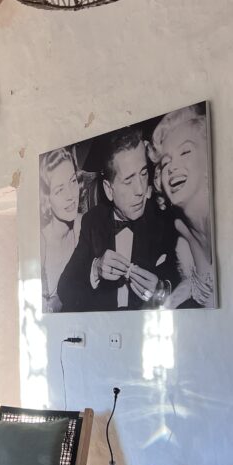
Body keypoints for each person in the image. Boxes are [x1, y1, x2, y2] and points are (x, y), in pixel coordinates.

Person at [57, 128, 178, 312]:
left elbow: (189, 281)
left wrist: (163, 290)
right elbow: (65, 289)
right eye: (128, 180)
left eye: (143, 173)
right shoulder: (93, 221)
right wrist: (95, 270)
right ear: (109, 189)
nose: (140, 190)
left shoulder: (165, 219)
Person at [149, 106, 215, 308]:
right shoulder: (182, 228)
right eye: (165, 163)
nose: (172, 168)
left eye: (185, 152)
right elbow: (200, 285)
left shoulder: (222, 221)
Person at [40, 147, 81, 312]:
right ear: (47, 199)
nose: (71, 195)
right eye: (59, 190)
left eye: (73, 181)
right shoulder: (41, 242)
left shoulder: (82, 225)